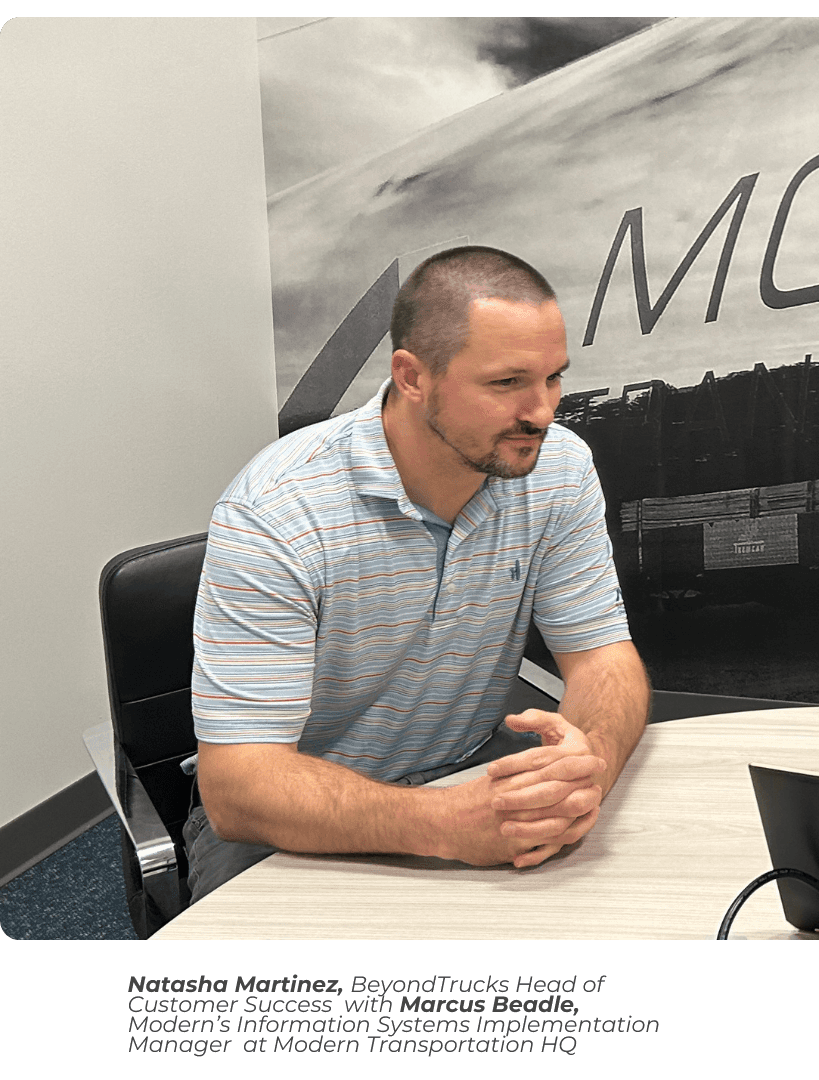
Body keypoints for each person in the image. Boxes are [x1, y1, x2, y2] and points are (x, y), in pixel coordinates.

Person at [186, 246, 651, 903]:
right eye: (506, 383)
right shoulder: (277, 512)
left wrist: (585, 771)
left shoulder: (558, 469)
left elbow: (604, 659)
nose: (542, 412)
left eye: (552, 378)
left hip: (465, 773)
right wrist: (444, 824)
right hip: (292, 815)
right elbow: (239, 787)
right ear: (412, 377)